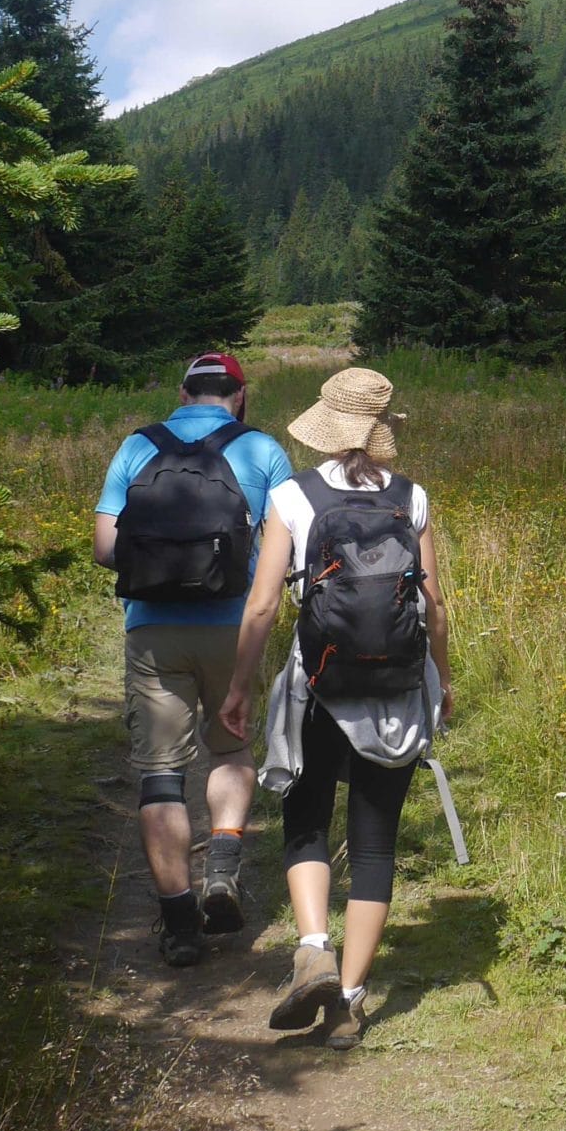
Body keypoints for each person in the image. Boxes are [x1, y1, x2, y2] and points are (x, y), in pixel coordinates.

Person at [220, 365, 450, 1043]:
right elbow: (435, 604)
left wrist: (238, 686)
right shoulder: (413, 498)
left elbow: (263, 604)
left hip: (317, 684)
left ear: (327, 425)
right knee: (375, 841)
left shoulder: (292, 496)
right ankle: (349, 1000)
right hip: (395, 692)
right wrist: (442, 676)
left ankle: (314, 947)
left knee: (307, 817)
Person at [93, 350, 295, 968]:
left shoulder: (137, 446)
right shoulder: (263, 451)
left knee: (161, 774)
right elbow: (288, 549)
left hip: (154, 631)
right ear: (240, 395)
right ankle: (224, 868)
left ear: (183, 393)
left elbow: (105, 548)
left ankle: (180, 923)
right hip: (233, 629)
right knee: (230, 747)